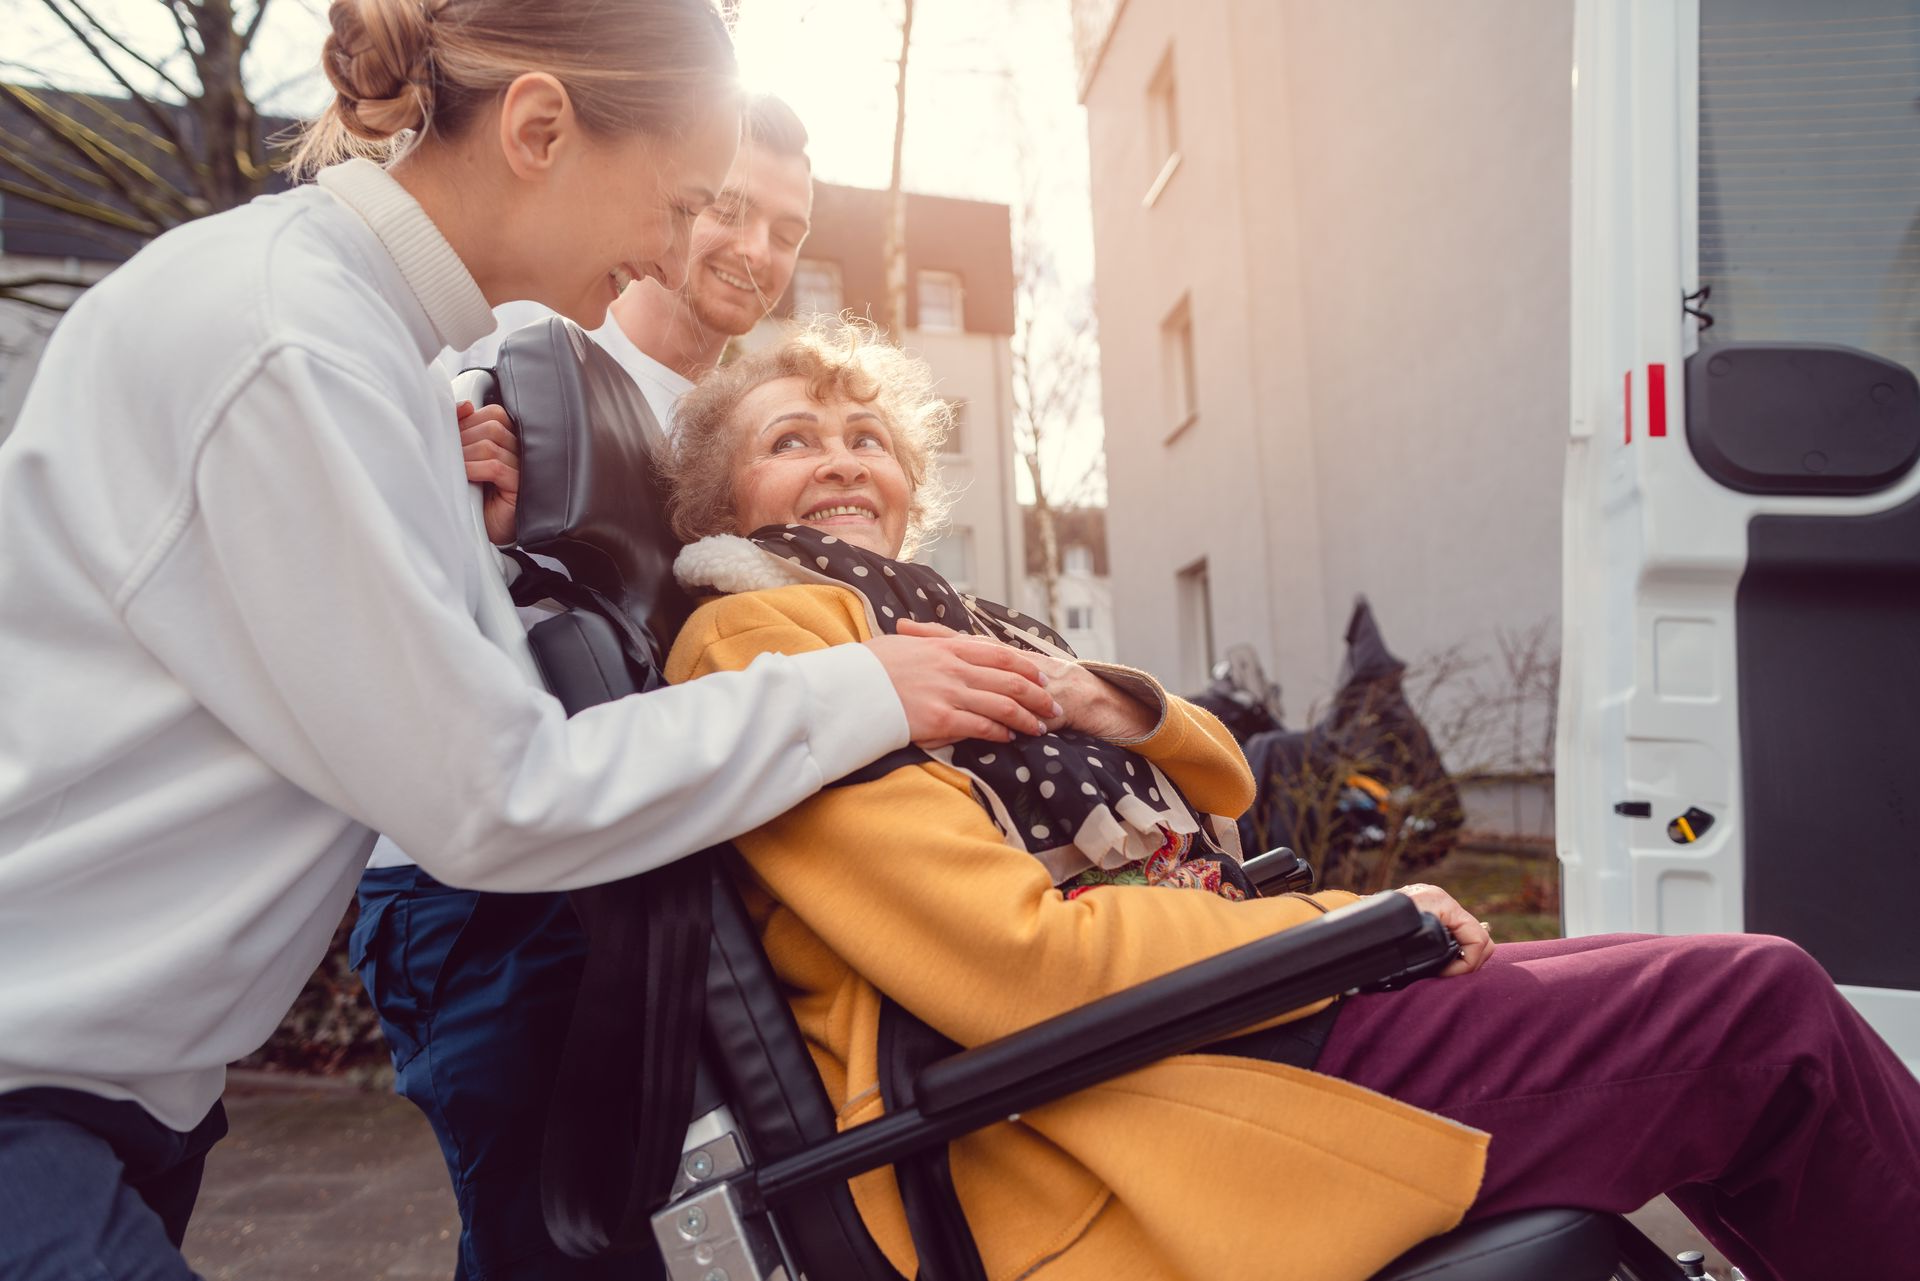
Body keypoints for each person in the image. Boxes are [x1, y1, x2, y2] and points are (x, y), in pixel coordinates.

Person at [0, 4, 1062, 1276]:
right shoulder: (293, 343)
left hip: (122, 1084)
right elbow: (498, 793)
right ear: (540, 128)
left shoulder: (365, 351)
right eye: (677, 205)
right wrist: (857, 687)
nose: (676, 250)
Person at [658, 322, 1920, 1281]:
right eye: (792, 440)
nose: (841, 461)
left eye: (866, 438)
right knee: (1763, 1014)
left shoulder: (949, 621)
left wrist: (1118, 705)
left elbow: (1226, 782)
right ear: (724, 500)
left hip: (1198, 1023)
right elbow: (1018, 961)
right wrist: (1331, 937)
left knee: (1722, 983)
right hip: (1105, 1105)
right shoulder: (772, 640)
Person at [353, 93, 822, 1281]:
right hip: (481, 888)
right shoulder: (520, 355)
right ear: (665, 194)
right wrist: (456, 494)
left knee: (649, 1240)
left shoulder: (739, 433)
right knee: (540, 1243)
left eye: (789, 230)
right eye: (728, 209)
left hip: (644, 866)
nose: (756, 252)